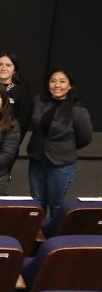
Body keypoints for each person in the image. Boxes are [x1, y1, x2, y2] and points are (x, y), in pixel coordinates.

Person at [27, 68, 93, 217]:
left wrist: (66, 146)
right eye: (53, 81)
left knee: (55, 204)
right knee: (36, 201)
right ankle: (37, 233)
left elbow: (86, 137)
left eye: (62, 81)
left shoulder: (78, 110)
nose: (57, 85)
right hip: (37, 159)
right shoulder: (39, 101)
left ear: (70, 86)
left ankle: (54, 237)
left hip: (60, 164)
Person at [0, 51, 33, 142]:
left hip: (7, 142)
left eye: (8, 65)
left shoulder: (23, 90)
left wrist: (14, 144)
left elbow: (23, 122)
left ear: (15, 69)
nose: (3, 68)